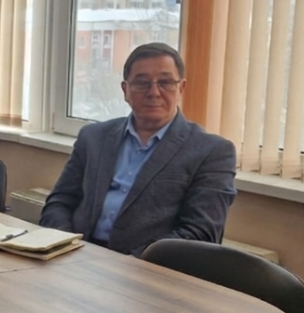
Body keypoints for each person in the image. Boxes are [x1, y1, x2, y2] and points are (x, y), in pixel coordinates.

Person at [40, 42, 237, 256]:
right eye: (142, 83)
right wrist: (65, 247)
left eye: (165, 82)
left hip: (146, 268)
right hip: (76, 255)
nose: (154, 92)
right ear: (125, 90)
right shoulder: (93, 137)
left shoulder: (212, 152)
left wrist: (129, 264)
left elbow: (200, 234)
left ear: (181, 88)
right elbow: (59, 202)